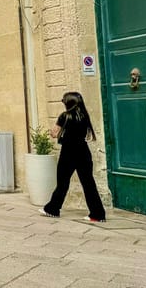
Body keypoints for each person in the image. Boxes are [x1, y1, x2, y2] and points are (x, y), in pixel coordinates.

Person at [39, 92, 106, 222]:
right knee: (88, 183)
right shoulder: (84, 116)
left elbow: (54, 133)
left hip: (68, 152)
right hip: (83, 152)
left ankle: (53, 209)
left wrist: (51, 132)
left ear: (68, 103)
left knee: (62, 183)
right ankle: (98, 214)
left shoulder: (65, 116)